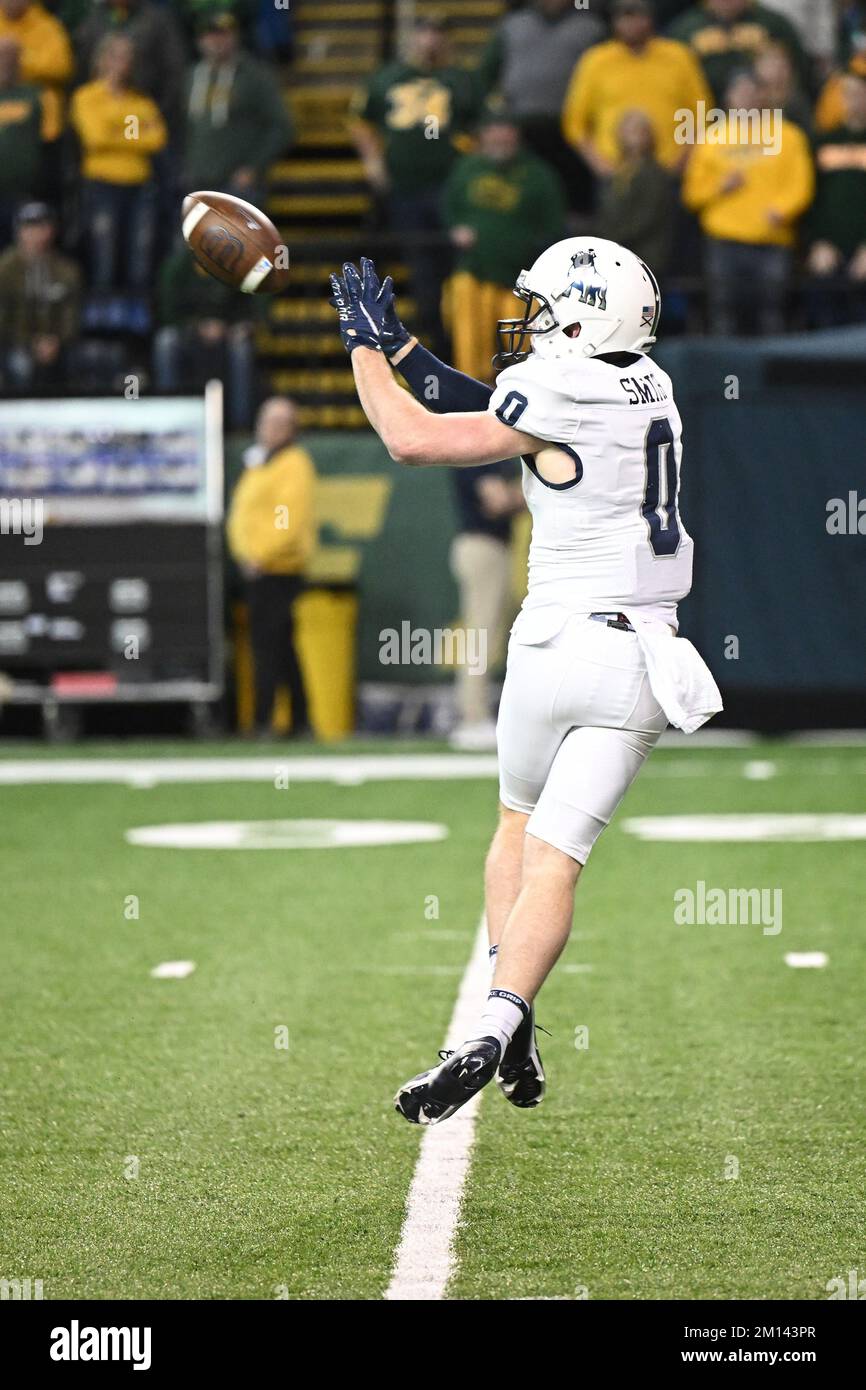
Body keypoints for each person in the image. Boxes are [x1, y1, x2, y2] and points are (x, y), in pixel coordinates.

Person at [327, 245, 721, 1124]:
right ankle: (504, 1020)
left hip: (548, 647)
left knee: (514, 829)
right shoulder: (651, 386)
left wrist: (360, 346)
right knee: (558, 860)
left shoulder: (560, 390)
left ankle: (507, 1021)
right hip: (636, 660)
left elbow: (412, 436)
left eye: (546, 311)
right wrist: (402, 347)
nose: (532, 324)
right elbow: (493, 403)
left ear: (584, 320)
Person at [349, 15, 477, 351]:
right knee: (421, 270)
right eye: (424, 32)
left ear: (448, 40)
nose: (430, 40)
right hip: (405, 189)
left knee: (459, 269)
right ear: (411, 38)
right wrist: (373, 161)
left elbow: (485, 126)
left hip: (452, 190)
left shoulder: (462, 80)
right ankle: (430, 341)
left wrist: (469, 162)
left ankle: (457, 344)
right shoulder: (388, 77)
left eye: (437, 32)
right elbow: (360, 120)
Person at [681, 69, 814, 334]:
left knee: (771, 312)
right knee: (724, 311)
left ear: (764, 95)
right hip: (724, 238)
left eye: (753, 90)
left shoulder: (788, 135)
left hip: (772, 237)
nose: (747, 97)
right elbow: (692, 194)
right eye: (740, 91)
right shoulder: (712, 138)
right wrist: (720, 187)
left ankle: (773, 374)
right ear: (729, 98)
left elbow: (802, 183)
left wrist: (782, 209)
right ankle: (725, 374)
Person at [443, 113, 567, 383]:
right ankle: (470, 400)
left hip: (521, 280)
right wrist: (456, 229)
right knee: (468, 346)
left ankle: (523, 400)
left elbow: (554, 228)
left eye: (505, 129)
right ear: (483, 135)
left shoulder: (539, 175)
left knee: (524, 355)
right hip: (474, 270)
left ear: (516, 135)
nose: (499, 136)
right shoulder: (467, 168)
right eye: (492, 129)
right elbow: (448, 209)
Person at [226, 397, 316, 739]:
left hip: (278, 570)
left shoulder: (294, 464)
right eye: (267, 421)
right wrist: (244, 552)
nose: (271, 428)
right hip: (258, 567)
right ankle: (298, 722)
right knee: (280, 647)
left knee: (269, 647)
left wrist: (259, 555)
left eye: (280, 423)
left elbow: (288, 521)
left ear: (292, 429)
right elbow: (242, 514)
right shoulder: (261, 462)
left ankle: (265, 721)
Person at [475, 0, 605, 213]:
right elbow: (485, 75)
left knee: (574, 200)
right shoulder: (512, 25)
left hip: (571, 129)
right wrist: (492, 115)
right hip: (522, 126)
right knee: (526, 190)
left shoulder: (590, 27)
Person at [562, 0, 711, 179]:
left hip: (670, 169)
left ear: (650, 19)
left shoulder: (678, 56)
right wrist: (602, 167)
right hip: (615, 171)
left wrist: (684, 161)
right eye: (625, 17)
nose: (632, 25)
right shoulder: (596, 61)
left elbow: (702, 114)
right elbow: (575, 124)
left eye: (638, 16)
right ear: (614, 22)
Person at [70, 32, 166, 293]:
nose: (123, 62)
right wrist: (131, 136)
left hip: (138, 185)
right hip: (103, 185)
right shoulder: (87, 97)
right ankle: (102, 322)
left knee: (140, 256)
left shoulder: (139, 101)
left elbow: (156, 139)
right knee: (105, 254)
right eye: (117, 56)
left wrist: (115, 133)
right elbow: (95, 138)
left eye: (128, 57)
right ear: (102, 59)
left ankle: (136, 325)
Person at [448, 460, 525, 753]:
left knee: (493, 633)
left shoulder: (488, 461)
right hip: (482, 547)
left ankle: (479, 714)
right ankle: (472, 718)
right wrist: (536, 491)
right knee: (481, 633)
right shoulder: (474, 461)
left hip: (495, 546)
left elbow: (505, 500)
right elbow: (499, 500)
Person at [182, 7, 294, 206]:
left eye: (223, 33)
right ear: (199, 39)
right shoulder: (191, 77)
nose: (216, 41)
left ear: (236, 36)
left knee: (238, 237)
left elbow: (282, 127)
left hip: (237, 184)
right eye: (210, 34)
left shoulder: (255, 76)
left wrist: (254, 167)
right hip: (197, 181)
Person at [154, 243, 260, 429]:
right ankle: (168, 416)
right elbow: (167, 315)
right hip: (188, 333)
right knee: (166, 341)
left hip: (227, 332)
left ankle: (241, 424)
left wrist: (241, 327)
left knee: (242, 349)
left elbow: (254, 306)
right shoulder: (178, 265)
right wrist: (198, 328)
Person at [74, 0, 186, 135]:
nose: (118, 64)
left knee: (129, 142)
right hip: (98, 106)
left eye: (124, 58)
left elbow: (174, 73)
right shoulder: (94, 17)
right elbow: (81, 66)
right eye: (113, 57)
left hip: (141, 109)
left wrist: (157, 117)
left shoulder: (157, 20)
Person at [0, 201, 81, 389]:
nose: (37, 233)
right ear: (19, 231)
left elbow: (71, 315)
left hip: (57, 343)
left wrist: (56, 340)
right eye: (30, 227)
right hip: (14, 343)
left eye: (42, 226)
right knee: (20, 363)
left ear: (52, 230)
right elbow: (3, 320)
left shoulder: (67, 270)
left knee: (83, 358)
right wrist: (32, 342)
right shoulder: (5, 270)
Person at [806, 74, 866, 325]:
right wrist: (817, 242)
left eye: (859, 93)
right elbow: (811, 197)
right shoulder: (823, 141)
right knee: (822, 311)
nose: (852, 100)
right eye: (847, 93)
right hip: (829, 247)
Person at [669, 0, 812, 102]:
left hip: (766, 116)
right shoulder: (684, 29)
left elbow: (802, 70)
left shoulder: (774, 24)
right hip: (705, 115)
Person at [595, 109, 677, 276]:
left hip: (644, 257)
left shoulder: (655, 173)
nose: (631, 137)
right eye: (626, 131)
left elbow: (646, 217)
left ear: (648, 135)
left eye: (636, 131)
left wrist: (611, 238)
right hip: (618, 255)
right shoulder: (619, 171)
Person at [0, 36, 42, 246]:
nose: (5, 62)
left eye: (10, 57)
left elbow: (44, 137)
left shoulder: (32, 96)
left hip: (21, 193)